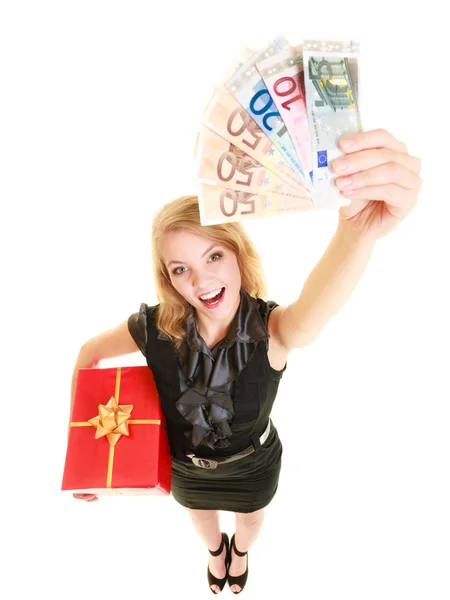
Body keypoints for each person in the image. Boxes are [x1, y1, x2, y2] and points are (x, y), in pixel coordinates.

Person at [70, 129, 422, 594]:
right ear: (169, 279)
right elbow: (88, 354)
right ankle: (218, 552)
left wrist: (356, 233)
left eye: (213, 255)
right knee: (201, 519)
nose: (201, 279)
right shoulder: (152, 328)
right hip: (184, 469)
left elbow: (312, 313)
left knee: (251, 520)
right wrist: (88, 457)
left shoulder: (274, 331)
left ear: (237, 254)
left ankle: (240, 551)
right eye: (181, 269)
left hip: (253, 467)